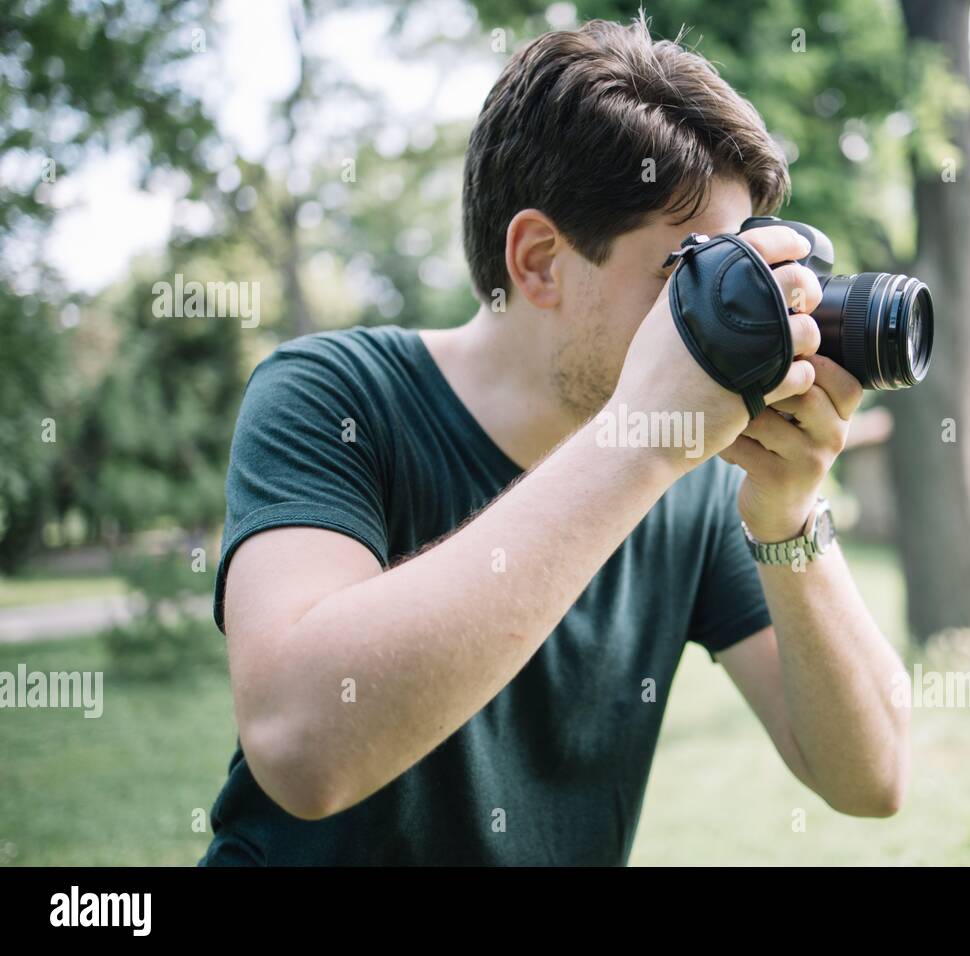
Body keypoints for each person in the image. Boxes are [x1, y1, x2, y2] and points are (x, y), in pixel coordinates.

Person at [200, 14, 908, 866]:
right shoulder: (334, 393)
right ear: (537, 261)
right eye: (695, 271)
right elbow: (301, 749)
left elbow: (871, 779)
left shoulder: (695, 474)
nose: (732, 311)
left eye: (746, 264)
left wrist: (789, 513)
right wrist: (639, 442)